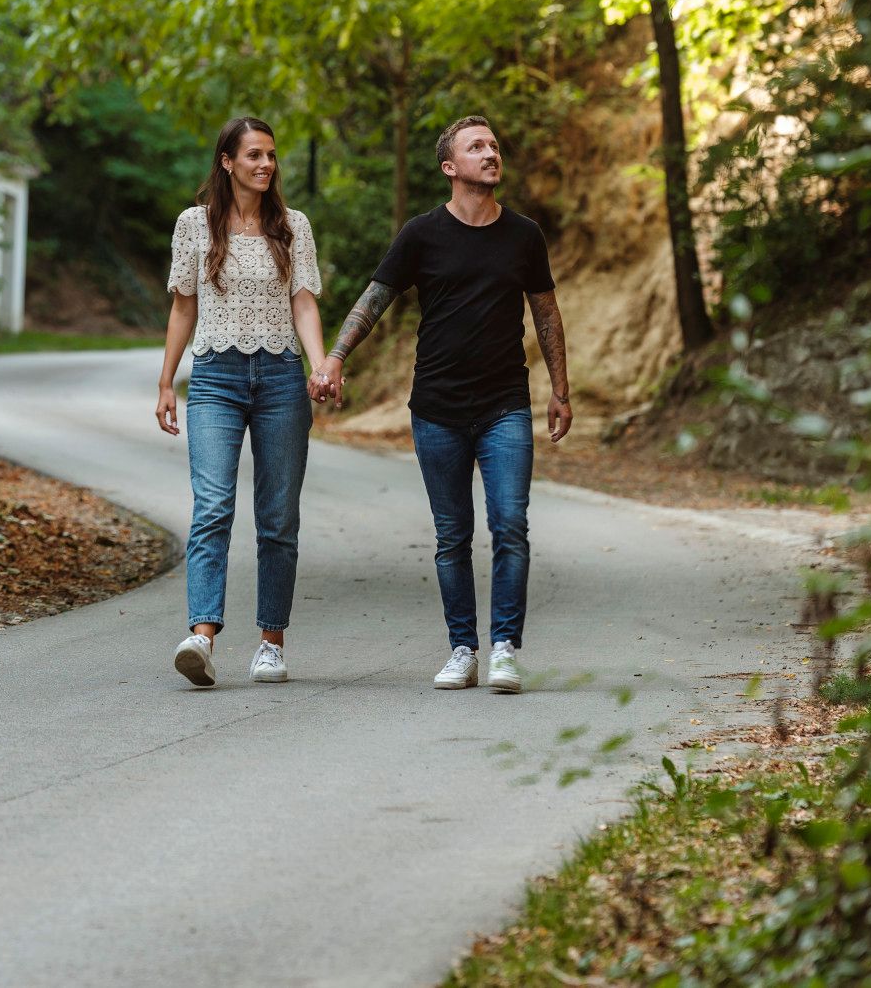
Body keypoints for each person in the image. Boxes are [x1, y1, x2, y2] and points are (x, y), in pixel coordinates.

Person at [311, 114, 571, 694]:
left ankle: (504, 647)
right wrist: (334, 356)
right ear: (450, 167)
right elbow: (375, 299)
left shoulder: (524, 235)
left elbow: (546, 313)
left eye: (495, 145)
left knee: (510, 526)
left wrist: (560, 388)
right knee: (452, 536)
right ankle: (463, 648)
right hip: (435, 409)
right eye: (476, 146)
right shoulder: (421, 234)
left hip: (505, 404)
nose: (491, 152)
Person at [156, 115, 324, 688]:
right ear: (227, 161)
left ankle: (271, 642)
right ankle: (201, 637)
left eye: (271, 155)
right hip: (214, 378)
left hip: (281, 377)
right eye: (254, 155)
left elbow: (303, 302)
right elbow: (183, 306)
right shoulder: (194, 225)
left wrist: (320, 361)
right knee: (213, 506)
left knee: (278, 518)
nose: (266, 165)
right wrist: (165, 383)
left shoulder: (292, 226)